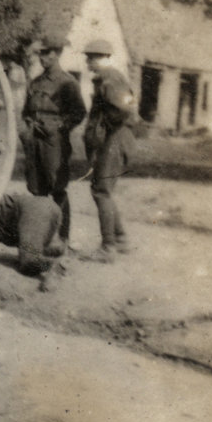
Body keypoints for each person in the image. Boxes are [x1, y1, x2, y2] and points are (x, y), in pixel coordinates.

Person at [20, 34, 86, 248]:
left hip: (54, 141)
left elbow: (79, 112)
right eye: (40, 54)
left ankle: (62, 238)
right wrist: (29, 125)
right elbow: (25, 110)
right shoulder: (36, 82)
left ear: (56, 54)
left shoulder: (67, 82)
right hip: (34, 139)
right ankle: (41, 237)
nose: (41, 58)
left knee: (57, 187)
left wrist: (59, 127)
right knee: (36, 188)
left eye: (46, 53)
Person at [81, 38, 136, 262]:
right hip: (113, 139)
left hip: (115, 140)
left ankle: (108, 247)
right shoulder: (107, 78)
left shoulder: (110, 79)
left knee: (101, 191)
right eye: (88, 57)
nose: (88, 61)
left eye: (93, 57)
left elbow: (124, 109)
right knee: (103, 189)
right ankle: (120, 239)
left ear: (105, 58)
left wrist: (105, 128)